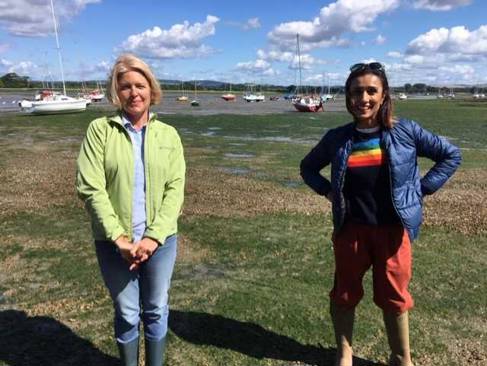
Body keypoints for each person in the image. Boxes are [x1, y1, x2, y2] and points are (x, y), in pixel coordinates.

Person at [300, 62, 461, 366]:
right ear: (348, 97)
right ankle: (344, 353)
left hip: (393, 232)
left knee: (394, 298)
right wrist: (327, 191)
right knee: (344, 294)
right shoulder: (338, 137)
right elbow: (307, 167)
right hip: (351, 231)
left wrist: (422, 190)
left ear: (384, 94)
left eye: (371, 90)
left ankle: (401, 359)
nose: (363, 98)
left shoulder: (406, 131)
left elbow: (450, 155)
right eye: (356, 91)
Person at [76, 54, 185, 366]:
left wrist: (153, 238)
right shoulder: (100, 130)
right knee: (126, 311)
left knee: (156, 308)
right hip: (113, 243)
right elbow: (90, 187)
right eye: (126, 86)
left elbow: (174, 190)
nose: (134, 92)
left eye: (140, 85)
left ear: (151, 89)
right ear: (116, 91)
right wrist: (120, 239)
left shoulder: (169, 135)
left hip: (161, 243)